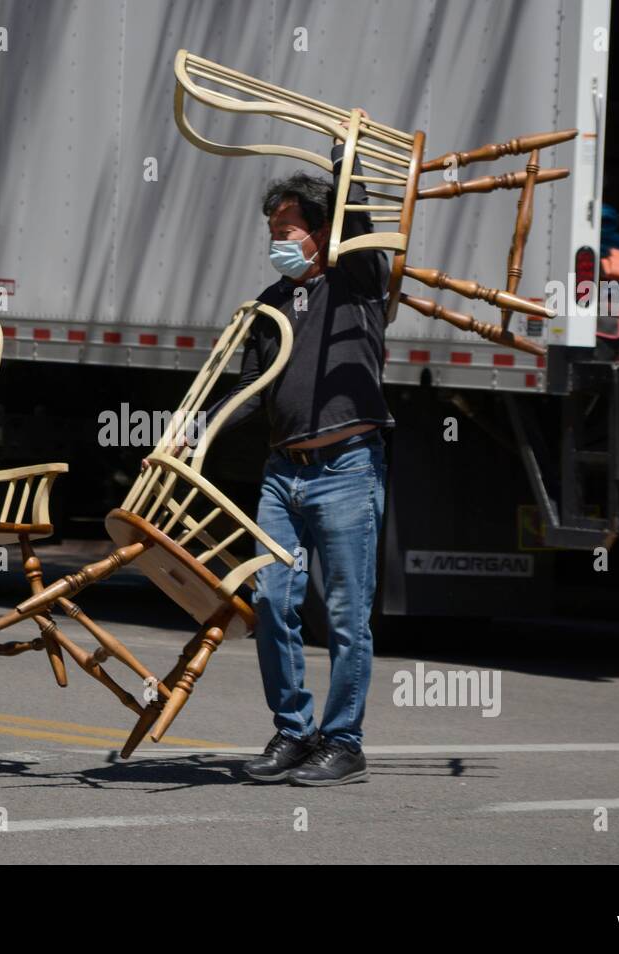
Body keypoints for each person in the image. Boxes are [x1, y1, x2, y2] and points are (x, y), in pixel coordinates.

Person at [202, 139, 391, 786]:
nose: (277, 242)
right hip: (283, 475)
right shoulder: (271, 302)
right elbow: (247, 392)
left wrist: (350, 169)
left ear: (318, 233)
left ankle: (344, 741)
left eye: (287, 231)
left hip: (347, 469)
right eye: (271, 232)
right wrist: (187, 433)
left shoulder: (357, 283)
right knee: (272, 600)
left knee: (344, 612)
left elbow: (360, 231)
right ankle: (293, 731)